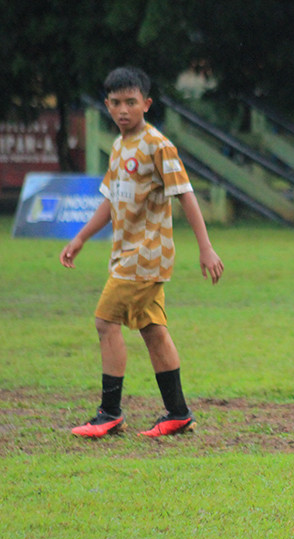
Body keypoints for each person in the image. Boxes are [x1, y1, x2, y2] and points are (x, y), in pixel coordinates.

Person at [59, 66, 224, 438]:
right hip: (127, 255)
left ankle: (109, 413)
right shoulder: (118, 147)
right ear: (106, 105)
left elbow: (185, 193)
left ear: (146, 104)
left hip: (146, 257)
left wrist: (206, 248)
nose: (123, 109)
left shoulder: (157, 145)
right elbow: (109, 200)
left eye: (131, 102)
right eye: (116, 103)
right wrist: (81, 237)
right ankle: (179, 414)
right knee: (153, 331)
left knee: (105, 322)